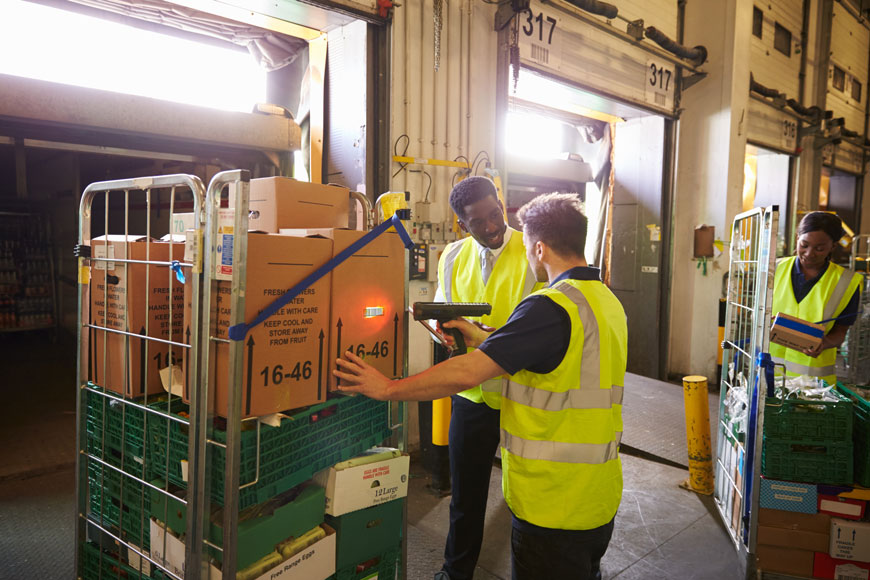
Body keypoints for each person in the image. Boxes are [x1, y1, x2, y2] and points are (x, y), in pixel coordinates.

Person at [335, 193, 627, 580]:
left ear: (539, 247)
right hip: (597, 497)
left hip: (552, 503)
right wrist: (481, 338)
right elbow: (556, 362)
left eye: (525, 244)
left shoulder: (551, 305)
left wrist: (389, 387)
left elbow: (467, 373)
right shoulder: (605, 301)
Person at [432, 176, 540, 580]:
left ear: (502, 204)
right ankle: (454, 573)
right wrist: (441, 329)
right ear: (463, 224)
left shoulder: (533, 252)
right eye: (479, 221)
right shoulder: (451, 257)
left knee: (527, 500)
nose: (493, 226)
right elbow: (445, 312)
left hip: (523, 394)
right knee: (466, 497)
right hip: (472, 395)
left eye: (496, 214)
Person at [770, 211, 862, 386]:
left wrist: (824, 343)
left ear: (833, 246)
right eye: (804, 245)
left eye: (819, 248)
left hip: (813, 385)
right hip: (768, 376)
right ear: (797, 238)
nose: (809, 253)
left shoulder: (847, 282)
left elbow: (840, 333)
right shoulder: (774, 270)